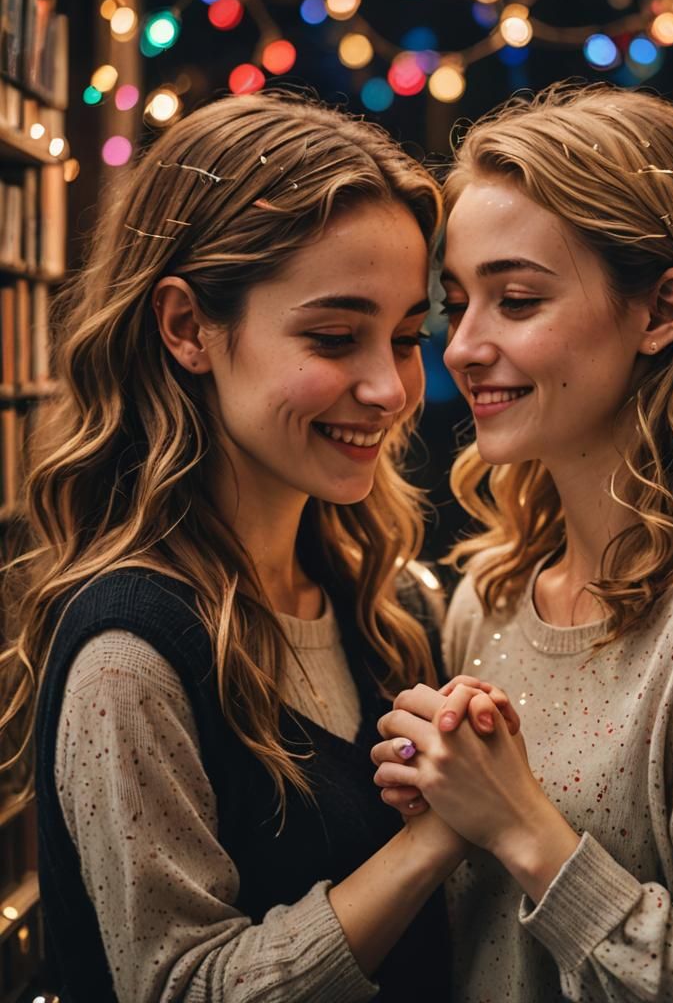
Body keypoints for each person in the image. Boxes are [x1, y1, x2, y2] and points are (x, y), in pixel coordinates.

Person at [0, 92, 515, 1003]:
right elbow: (183, 986)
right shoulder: (132, 653)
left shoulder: (388, 604)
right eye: (334, 337)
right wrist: (444, 834)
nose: (391, 388)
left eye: (405, 338)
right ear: (186, 327)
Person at [372, 82, 673, 1002]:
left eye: (517, 300)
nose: (462, 346)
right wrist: (431, 806)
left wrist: (522, 827)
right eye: (457, 302)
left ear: (661, 312)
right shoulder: (491, 596)